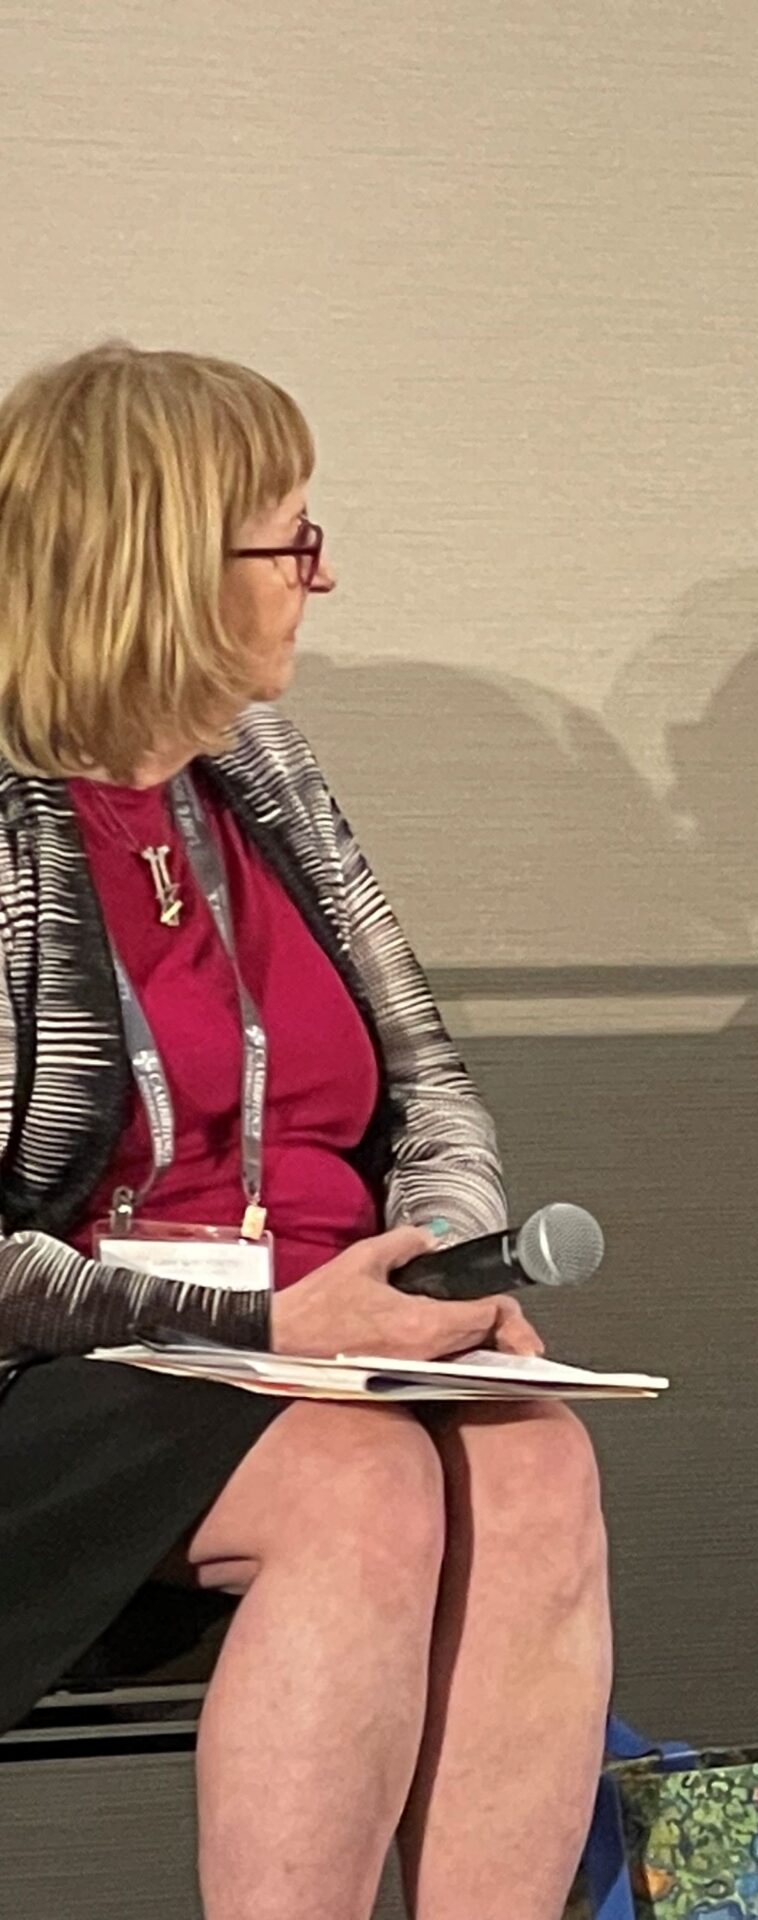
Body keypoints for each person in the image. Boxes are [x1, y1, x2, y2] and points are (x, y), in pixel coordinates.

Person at [0, 345, 611, 1920]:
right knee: (356, 1482)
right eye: (292, 540)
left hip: (318, 1343)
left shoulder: (263, 773)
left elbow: (428, 1082)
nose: (318, 578)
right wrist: (271, 1324)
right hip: (69, 1371)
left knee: (535, 1460)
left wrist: (444, 1268)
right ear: (162, 565)